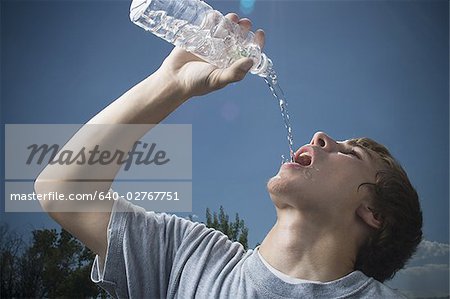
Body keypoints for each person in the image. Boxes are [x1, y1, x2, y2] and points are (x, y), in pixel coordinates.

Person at [35, 13, 422, 298]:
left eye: (349, 153)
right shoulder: (191, 260)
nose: (322, 137)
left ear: (374, 214)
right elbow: (61, 191)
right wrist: (170, 84)